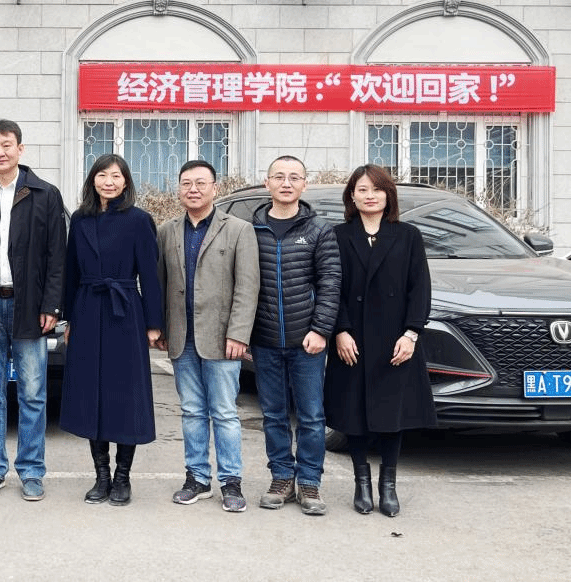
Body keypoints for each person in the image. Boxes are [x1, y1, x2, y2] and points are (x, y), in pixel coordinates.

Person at [0, 120, 67, 502]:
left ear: (20, 149)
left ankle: (32, 471)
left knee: (33, 394)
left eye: (6, 145)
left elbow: (57, 257)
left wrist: (51, 304)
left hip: (30, 309)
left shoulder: (45, 194)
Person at [327, 165, 434, 517]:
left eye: (377, 189)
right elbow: (331, 288)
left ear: (389, 195)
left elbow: (419, 288)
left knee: (392, 414)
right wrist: (340, 330)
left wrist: (411, 333)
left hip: (395, 339)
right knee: (354, 414)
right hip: (352, 339)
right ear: (351, 196)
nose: (369, 195)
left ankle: (388, 484)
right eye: (362, 189)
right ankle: (362, 483)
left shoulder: (408, 235)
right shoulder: (338, 235)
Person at [61, 154, 163, 506]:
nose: (109, 181)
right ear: (92, 180)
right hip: (88, 309)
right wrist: (70, 319)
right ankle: (101, 476)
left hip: (125, 312)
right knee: (92, 394)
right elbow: (71, 272)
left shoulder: (139, 220)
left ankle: (122, 477)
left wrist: (153, 324)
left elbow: (150, 274)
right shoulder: (80, 219)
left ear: (126, 181)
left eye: (116, 176)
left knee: (125, 394)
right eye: (102, 175)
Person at [158, 159, 260, 513]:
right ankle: (197, 478)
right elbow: (160, 283)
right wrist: (160, 328)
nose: (193, 189)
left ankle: (231, 481)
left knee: (225, 412)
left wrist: (239, 334)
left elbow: (247, 287)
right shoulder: (167, 231)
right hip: (181, 336)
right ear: (179, 189)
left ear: (215, 188)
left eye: (201, 183)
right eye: (186, 183)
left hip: (222, 337)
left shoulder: (239, 230)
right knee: (191, 411)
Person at [249, 155, 341, 515]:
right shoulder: (250, 229)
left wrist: (321, 330)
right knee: (273, 415)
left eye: (294, 177)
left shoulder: (319, 230)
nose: (286, 183)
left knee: (312, 416)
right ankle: (282, 478)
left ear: (304, 184)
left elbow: (331, 283)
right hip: (265, 339)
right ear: (267, 183)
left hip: (308, 342)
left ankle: (310, 482)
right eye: (279, 177)